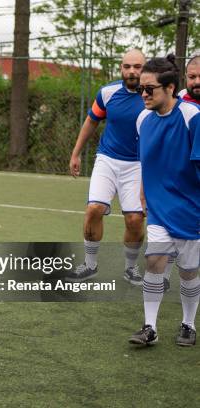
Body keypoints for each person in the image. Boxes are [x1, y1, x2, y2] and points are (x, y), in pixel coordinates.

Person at [128, 55, 199, 347]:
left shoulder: (192, 118)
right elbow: (148, 161)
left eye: (150, 89)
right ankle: (150, 326)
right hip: (158, 210)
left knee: (188, 272)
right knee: (154, 262)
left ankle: (187, 324)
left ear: (170, 88)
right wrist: (144, 193)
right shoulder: (142, 119)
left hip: (191, 211)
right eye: (141, 88)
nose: (143, 94)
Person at [66, 49, 146, 285]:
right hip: (107, 160)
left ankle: (131, 268)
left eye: (137, 67)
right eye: (127, 66)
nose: (132, 71)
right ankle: (90, 265)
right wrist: (76, 153)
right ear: (121, 68)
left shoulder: (153, 96)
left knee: (134, 220)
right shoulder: (107, 93)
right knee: (93, 210)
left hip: (138, 165)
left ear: (145, 68)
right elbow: (91, 121)